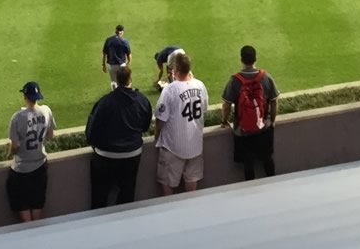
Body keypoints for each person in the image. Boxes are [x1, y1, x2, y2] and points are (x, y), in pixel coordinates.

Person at [85, 64, 152, 209]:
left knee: (100, 197)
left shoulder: (105, 102)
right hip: (132, 155)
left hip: (105, 156)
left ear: (116, 80)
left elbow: (91, 131)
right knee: (127, 195)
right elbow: (145, 126)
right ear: (130, 79)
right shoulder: (142, 100)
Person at [153, 50, 208, 194]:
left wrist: (156, 136)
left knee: (167, 183)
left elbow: (160, 119)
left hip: (173, 146)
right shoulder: (200, 86)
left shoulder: (169, 90)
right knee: (191, 181)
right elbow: (204, 109)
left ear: (175, 70)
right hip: (195, 144)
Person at [220, 45, 279, 180]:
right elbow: (274, 101)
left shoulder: (235, 80)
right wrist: (272, 121)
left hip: (243, 131)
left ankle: (250, 194)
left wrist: (224, 121)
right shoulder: (266, 77)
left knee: (248, 164)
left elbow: (226, 105)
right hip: (263, 127)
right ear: (255, 58)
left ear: (241, 59)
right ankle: (275, 186)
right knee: (267, 159)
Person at [7, 81, 56, 222]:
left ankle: (28, 229)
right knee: (37, 200)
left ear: (25, 96)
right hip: (40, 164)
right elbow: (50, 135)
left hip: (21, 168)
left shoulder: (17, 117)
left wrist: (9, 153)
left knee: (22, 202)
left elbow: (15, 146)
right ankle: (36, 231)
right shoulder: (46, 111)